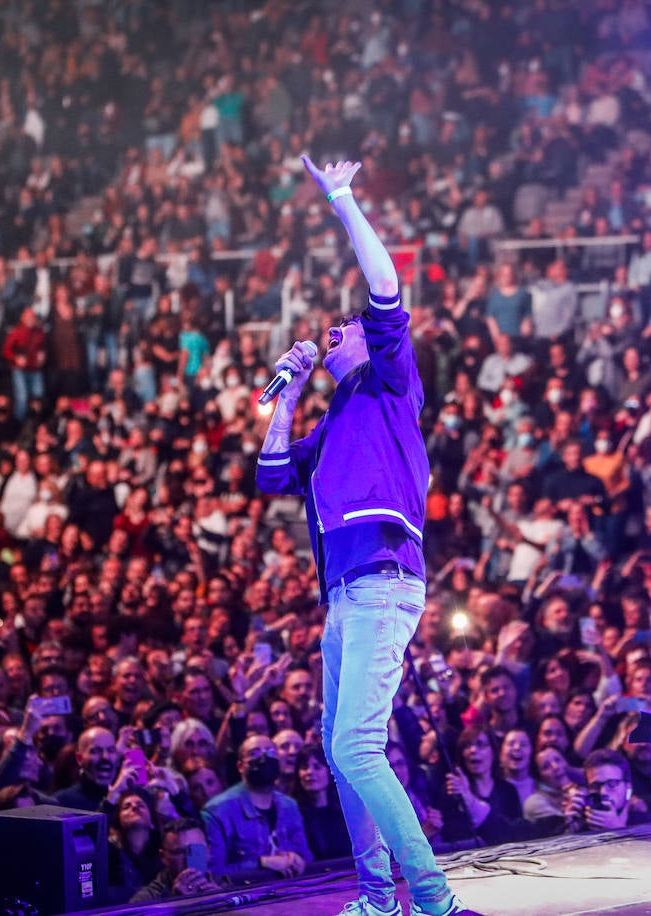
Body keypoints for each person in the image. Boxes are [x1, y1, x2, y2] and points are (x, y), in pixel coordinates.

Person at [255, 156, 477, 916]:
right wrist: (283, 396)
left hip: (384, 579)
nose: (335, 331)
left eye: (340, 328)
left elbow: (384, 288)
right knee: (337, 747)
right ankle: (379, 899)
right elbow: (270, 476)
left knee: (354, 745)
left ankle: (436, 902)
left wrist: (344, 200)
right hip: (344, 597)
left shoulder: (389, 383)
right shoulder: (326, 422)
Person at [200, 735, 312, 879]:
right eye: (255, 753)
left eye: (270, 752)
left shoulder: (289, 806)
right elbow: (213, 873)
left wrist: (298, 859)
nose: (264, 758)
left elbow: (307, 856)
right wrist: (261, 863)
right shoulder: (218, 811)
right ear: (240, 766)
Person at [128, 817, 221, 902]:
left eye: (196, 851)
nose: (187, 860)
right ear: (163, 856)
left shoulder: (228, 887)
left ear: (208, 851)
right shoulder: (146, 900)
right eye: (179, 852)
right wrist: (175, 905)